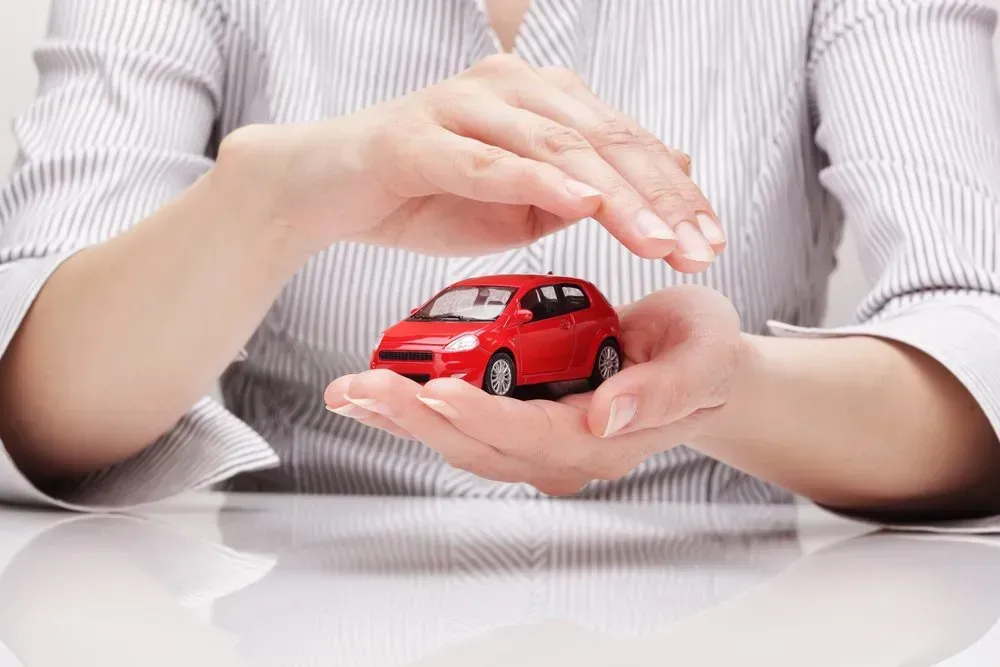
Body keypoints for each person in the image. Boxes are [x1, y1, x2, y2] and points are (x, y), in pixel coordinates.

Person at [0, 0, 998, 524]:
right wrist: (261, 204)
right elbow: (30, 379)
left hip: (740, 612)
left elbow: (975, 335)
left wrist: (731, 392)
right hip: (286, 611)